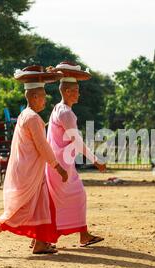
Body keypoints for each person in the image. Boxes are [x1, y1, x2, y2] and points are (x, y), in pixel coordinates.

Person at [0, 65, 68, 255]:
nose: (45, 100)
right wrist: (58, 167)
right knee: (24, 209)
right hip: (30, 173)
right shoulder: (33, 119)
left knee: (41, 206)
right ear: (34, 97)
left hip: (29, 171)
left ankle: (40, 243)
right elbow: (43, 147)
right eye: (43, 96)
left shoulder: (24, 115)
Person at [46, 61, 106, 247]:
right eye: (76, 90)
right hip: (61, 165)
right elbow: (77, 142)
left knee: (56, 201)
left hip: (56, 163)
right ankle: (83, 236)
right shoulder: (67, 114)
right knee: (77, 196)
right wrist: (95, 160)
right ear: (67, 92)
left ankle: (42, 238)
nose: (79, 94)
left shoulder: (58, 109)